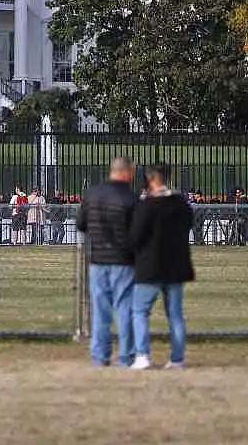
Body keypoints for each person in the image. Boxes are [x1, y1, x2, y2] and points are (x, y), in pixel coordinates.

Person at [129, 163, 195, 370]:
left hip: (150, 265)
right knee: (175, 314)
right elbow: (189, 224)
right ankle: (177, 359)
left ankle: (142, 355)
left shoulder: (147, 206)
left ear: (151, 179)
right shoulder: (181, 204)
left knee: (140, 311)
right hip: (176, 264)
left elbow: (135, 235)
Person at [75, 156, 138, 368]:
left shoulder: (92, 194)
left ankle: (100, 356)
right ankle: (126, 356)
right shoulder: (130, 198)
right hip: (123, 260)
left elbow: (81, 223)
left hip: (98, 259)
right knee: (125, 309)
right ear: (127, 172)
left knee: (100, 311)